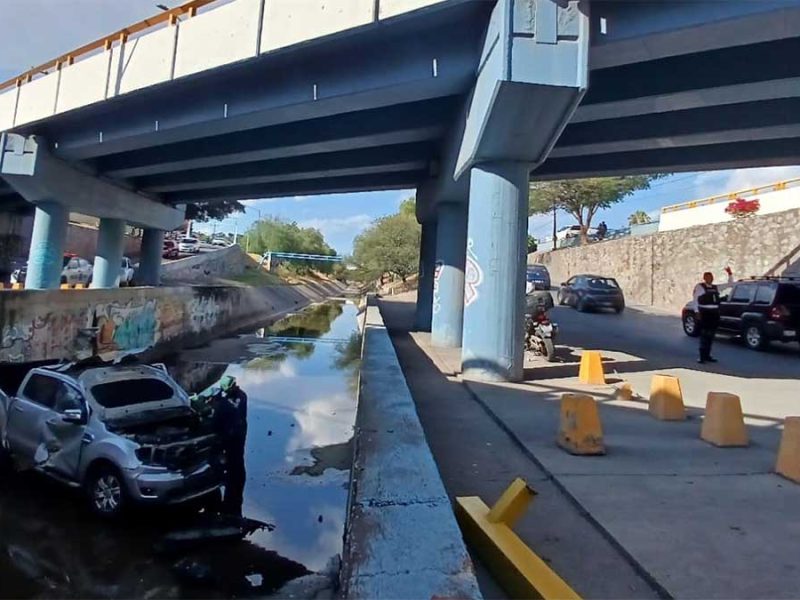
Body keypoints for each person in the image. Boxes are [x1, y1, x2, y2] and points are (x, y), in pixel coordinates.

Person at [211, 375, 248, 515]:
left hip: (234, 433)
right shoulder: (238, 396)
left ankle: (233, 482)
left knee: (235, 458)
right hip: (236, 431)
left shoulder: (236, 400)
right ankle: (233, 481)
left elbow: (218, 420)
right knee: (235, 458)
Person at [693, 271, 721, 364]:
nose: (710, 279)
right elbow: (695, 300)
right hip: (705, 313)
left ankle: (708, 355)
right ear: (704, 278)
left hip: (714, 313)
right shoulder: (700, 287)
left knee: (711, 335)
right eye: (708, 277)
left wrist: (730, 274)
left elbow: (730, 284)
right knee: (704, 335)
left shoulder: (715, 287)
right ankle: (702, 357)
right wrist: (697, 312)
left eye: (711, 277)